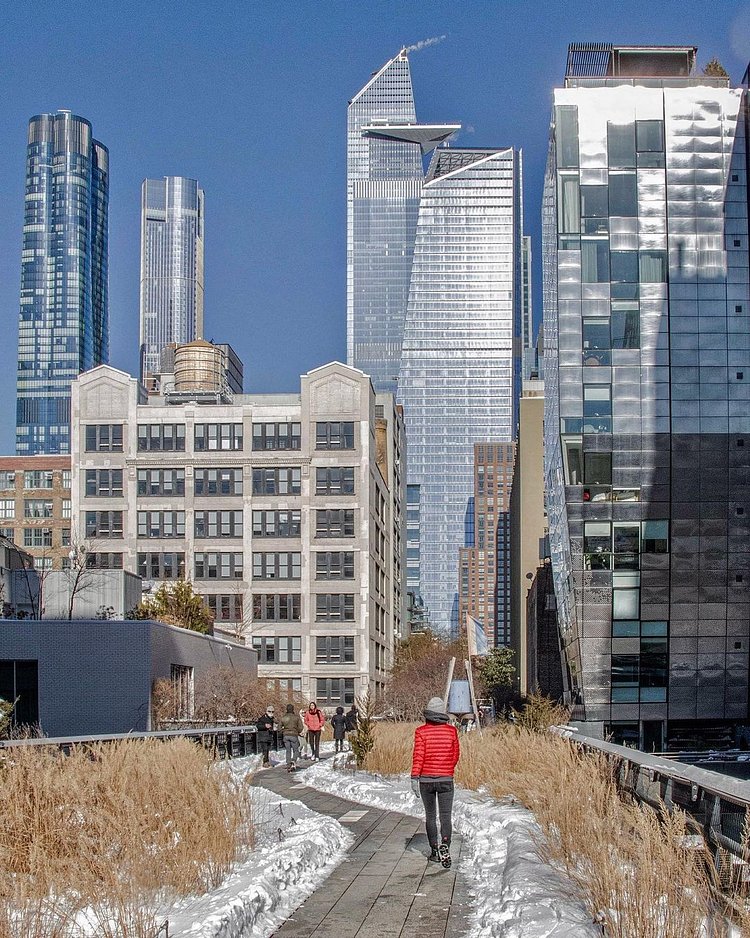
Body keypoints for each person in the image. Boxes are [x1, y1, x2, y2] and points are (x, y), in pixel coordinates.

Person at [410, 696, 460, 869]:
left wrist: (415, 777)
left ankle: (434, 851)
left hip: (426, 780)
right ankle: (445, 843)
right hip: (446, 779)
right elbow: (455, 755)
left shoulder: (421, 732)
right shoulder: (452, 731)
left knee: (430, 816)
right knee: (446, 816)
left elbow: (418, 756)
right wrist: (447, 768)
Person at [280, 703, 304, 771]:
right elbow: (301, 727)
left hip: (286, 735)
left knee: (288, 750)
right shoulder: (296, 717)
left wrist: (283, 731)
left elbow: (279, 727)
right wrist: (297, 731)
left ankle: (288, 763)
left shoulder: (283, 717)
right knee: (295, 750)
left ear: (286, 709)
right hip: (294, 735)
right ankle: (293, 760)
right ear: (293, 709)